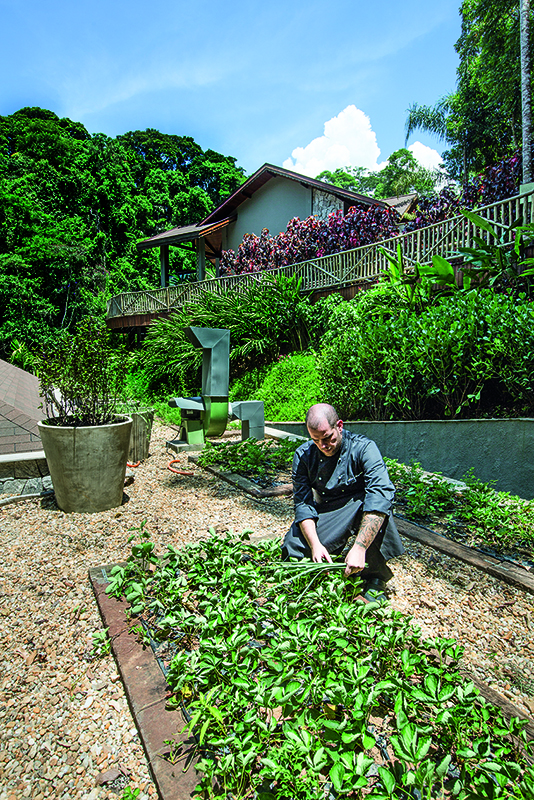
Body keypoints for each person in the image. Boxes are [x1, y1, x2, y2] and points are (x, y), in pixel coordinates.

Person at [282, 403, 404, 601]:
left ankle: (375, 577)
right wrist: (315, 545)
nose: (323, 446)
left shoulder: (364, 448)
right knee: (293, 547)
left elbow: (380, 494)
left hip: (360, 508)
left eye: (327, 438)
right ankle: (333, 560)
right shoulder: (303, 456)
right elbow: (303, 505)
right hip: (328, 511)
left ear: (339, 426)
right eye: (316, 440)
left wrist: (360, 547)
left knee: (379, 508)